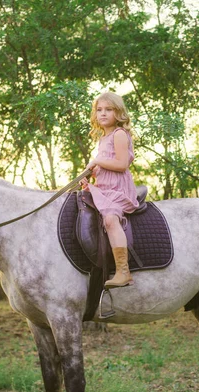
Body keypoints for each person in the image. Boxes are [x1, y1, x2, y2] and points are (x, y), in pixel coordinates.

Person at [80, 92, 139, 288]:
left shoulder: (119, 134)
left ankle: (124, 271)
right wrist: (92, 176)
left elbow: (121, 164)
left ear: (118, 112)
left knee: (110, 219)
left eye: (108, 109)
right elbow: (106, 166)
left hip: (118, 190)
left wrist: (97, 160)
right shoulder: (102, 138)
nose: (103, 113)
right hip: (105, 187)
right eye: (99, 110)